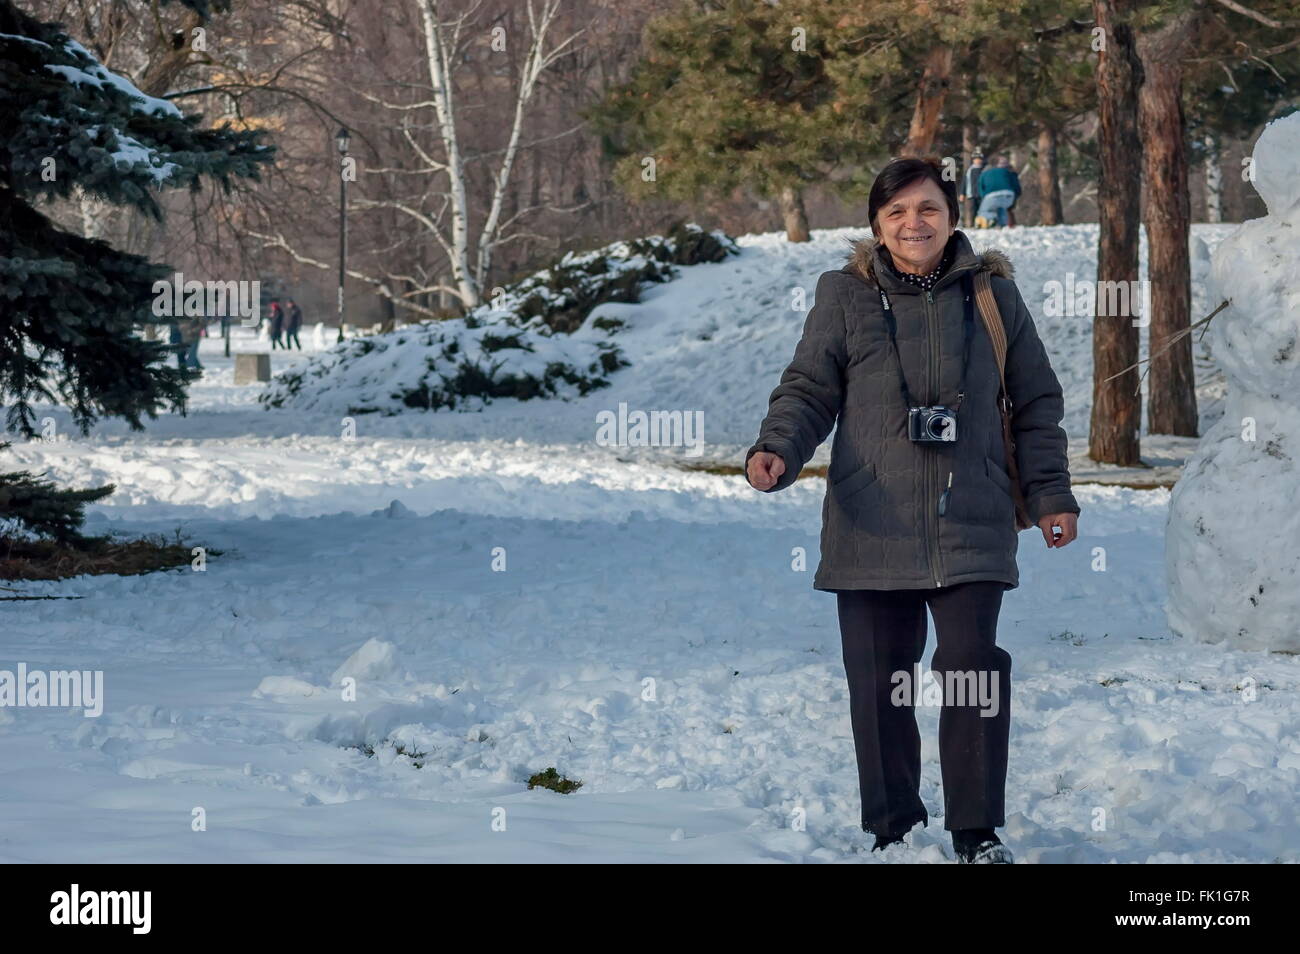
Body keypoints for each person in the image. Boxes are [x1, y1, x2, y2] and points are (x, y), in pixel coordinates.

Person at [744, 157, 1079, 864]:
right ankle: (893, 827)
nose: (912, 223)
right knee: (878, 679)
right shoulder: (844, 296)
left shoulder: (993, 297)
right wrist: (778, 448)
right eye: (896, 212)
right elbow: (808, 389)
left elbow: (1037, 403)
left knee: (972, 666)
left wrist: (1050, 495)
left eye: (926, 208)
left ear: (952, 216)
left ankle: (976, 831)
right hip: (872, 516)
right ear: (876, 225)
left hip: (974, 513)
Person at [975, 155, 1021, 228]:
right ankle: (1002, 225)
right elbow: (1016, 186)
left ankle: (992, 219)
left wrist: (983, 197)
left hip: (991, 195)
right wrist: (1015, 197)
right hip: (1009, 195)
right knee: (1002, 208)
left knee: (983, 211)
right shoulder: (1009, 172)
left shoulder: (984, 173)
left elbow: (981, 187)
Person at [958, 149, 984, 229]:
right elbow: (965, 182)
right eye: (976, 159)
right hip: (972, 193)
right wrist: (962, 193)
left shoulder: (984, 169)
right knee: (973, 210)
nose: (977, 161)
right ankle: (973, 225)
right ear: (973, 160)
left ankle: (981, 225)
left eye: (979, 159)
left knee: (982, 210)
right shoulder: (969, 170)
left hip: (981, 193)